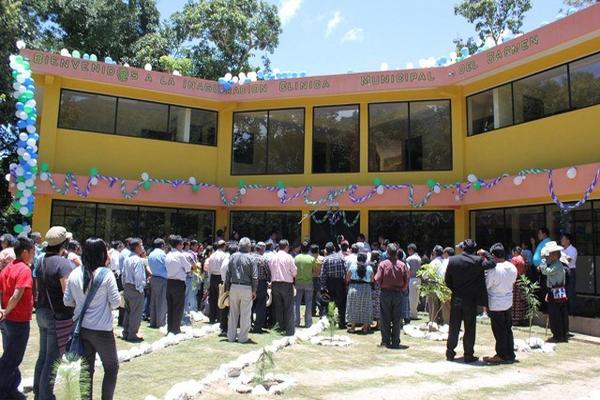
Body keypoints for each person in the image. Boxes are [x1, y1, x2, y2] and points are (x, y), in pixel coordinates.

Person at [64, 238, 120, 400]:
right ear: (102, 254)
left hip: (81, 329)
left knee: (86, 369)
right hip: (102, 330)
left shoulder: (74, 273)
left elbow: (67, 301)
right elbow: (116, 303)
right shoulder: (106, 274)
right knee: (111, 368)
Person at [33, 226, 74, 400]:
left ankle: (38, 391)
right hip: (56, 316)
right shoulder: (63, 263)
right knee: (52, 359)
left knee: (43, 355)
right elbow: (67, 294)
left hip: (42, 311)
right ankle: (46, 396)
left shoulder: (41, 260)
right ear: (64, 242)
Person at [445, 239, 495, 363]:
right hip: (470, 300)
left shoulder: (453, 260)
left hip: (456, 298)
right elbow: (492, 263)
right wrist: (485, 253)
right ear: (474, 249)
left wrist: (455, 290)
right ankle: (468, 354)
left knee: (454, 327)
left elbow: (447, 280)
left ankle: (450, 353)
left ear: (463, 248)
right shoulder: (477, 261)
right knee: (470, 328)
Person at [0, 236, 35, 399]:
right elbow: (17, 293)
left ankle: (11, 389)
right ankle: (4, 391)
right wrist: (6, 311)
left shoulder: (7, 268)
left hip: (8, 321)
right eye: (33, 251)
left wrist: (3, 310)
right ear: (25, 252)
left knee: (10, 356)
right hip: (17, 320)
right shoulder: (24, 269)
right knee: (12, 359)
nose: (34, 254)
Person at [483, 243, 517, 364]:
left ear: (493, 255)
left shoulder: (494, 269)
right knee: (508, 329)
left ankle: (501, 354)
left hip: (496, 303)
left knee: (499, 330)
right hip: (508, 301)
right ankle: (510, 353)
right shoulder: (512, 267)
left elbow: (487, 285)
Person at [374, 243, 409, 349]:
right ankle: (395, 341)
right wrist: (402, 288)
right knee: (397, 318)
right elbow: (406, 279)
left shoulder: (383, 264)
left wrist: (381, 286)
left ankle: (385, 341)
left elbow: (378, 278)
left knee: (385, 317)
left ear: (387, 252)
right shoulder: (402, 265)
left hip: (385, 293)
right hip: (398, 293)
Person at [225, 237, 257, 343]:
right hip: (246, 287)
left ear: (239, 246)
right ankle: (243, 338)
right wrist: (254, 290)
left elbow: (228, 273)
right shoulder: (252, 258)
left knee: (233, 313)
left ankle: (231, 337)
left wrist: (227, 288)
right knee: (245, 313)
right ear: (249, 247)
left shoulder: (232, 256)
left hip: (234, 286)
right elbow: (254, 276)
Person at [539, 241, 569, 343]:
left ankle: (558, 335)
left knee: (555, 314)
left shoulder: (557, 265)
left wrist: (542, 262)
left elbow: (546, 271)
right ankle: (561, 334)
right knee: (559, 313)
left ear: (555, 255)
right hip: (557, 291)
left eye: (550, 254)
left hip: (556, 291)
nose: (548, 256)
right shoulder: (556, 264)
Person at [268, 240, 297, 336]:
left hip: (275, 284)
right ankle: (289, 330)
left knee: (278, 307)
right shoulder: (289, 257)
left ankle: (280, 327)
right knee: (288, 307)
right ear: (287, 247)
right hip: (286, 284)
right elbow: (294, 272)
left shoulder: (273, 257)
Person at [165, 235, 192, 335]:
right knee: (178, 307)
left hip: (169, 282)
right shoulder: (180, 255)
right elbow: (188, 267)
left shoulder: (168, 255)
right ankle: (176, 329)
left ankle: (170, 328)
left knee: (170, 306)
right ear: (179, 245)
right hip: (178, 282)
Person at [121, 238, 146, 342]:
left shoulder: (127, 258)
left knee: (128, 311)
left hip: (127, 286)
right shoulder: (138, 260)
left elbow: (123, 274)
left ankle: (126, 332)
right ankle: (132, 334)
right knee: (136, 313)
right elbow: (139, 276)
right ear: (137, 247)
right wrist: (140, 289)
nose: (143, 248)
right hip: (135, 288)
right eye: (142, 245)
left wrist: (124, 286)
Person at [320, 242, 347, 329]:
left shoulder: (326, 259)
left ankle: (330, 322)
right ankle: (342, 323)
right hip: (340, 282)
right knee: (341, 304)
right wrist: (345, 282)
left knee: (329, 302)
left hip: (330, 282)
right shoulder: (341, 257)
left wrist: (323, 286)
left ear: (326, 250)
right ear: (334, 249)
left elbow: (323, 274)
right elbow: (346, 270)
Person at [345, 253, 373, 334]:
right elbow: (372, 280)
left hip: (354, 287)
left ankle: (353, 327)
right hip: (366, 288)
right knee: (366, 307)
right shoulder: (369, 268)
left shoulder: (352, 267)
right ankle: (365, 328)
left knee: (353, 307)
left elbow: (347, 278)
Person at [147, 238, 168, 328]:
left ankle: (153, 321)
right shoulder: (162, 254)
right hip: (163, 279)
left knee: (153, 301)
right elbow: (167, 265)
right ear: (162, 245)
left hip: (153, 277)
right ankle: (161, 322)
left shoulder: (151, 254)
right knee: (162, 302)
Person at [294, 241, 315, 328]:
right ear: (308, 249)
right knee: (309, 303)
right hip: (309, 282)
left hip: (298, 282)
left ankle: (296, 322)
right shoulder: (311, 259)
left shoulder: (296, 258)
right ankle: (308, 323)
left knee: (296, 303)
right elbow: (314, 271)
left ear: (301, 249)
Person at [207, 240, 228, 324]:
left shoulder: (212, 255)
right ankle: (220, 318)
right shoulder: (224, 255)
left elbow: (209, 269)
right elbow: (224, 269)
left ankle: (212, 318)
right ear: (224, 246)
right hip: (220, 277)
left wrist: (210, 279)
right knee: (221, 298)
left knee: (213, 298)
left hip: (213, 277)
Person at [251, 242, 270, 334]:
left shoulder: (249, 258)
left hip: (250, 284)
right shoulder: (263, 259)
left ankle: (248, 325)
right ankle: (258, 327)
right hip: (261, 284)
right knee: (261, 305)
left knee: (249, 305)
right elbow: (268, 273)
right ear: (262, 249)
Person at [560, 233, 578, 314]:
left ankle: (573, 312)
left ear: (568, 240)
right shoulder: (562, 249)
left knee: (570, 292)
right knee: (563, 292)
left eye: (563, 239)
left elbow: (568, 260)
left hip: (570, 271)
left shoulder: (573, 249)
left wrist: (561, 257)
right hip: (562, 272)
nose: (561, 240)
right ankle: (565, 311)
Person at [510, 247, 528, 326]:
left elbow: (511, 271)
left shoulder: (514, 259)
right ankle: (522, 319)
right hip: (523, 281)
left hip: (515, 282)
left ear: (514, 252)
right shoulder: (523, 259)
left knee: (515, 301)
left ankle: (515, 320)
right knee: (522, 301)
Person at [427, 245, 445, 324]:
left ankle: (433, 321)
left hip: (433, 284)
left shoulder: (433, 262)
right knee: (442, 306)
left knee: (433, 305)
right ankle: (442, 321)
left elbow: (426, 275)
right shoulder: (445, 261)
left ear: (434, 252)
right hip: (443, 285)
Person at [405, 243, 421, 320]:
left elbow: (408, 269)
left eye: (408, 250)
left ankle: (412, 313)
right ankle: (415, 312)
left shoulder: (409, 259)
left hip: (411, 279)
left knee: (411, 297)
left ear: (411, 249)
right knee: (416, 297)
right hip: (418, 279)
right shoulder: (419, 258)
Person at [310, 245, 324, 318]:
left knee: (312, 296)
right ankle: (321, 312)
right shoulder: (322, 259)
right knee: (319, 296)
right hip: (319, 278)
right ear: (318, 250)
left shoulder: (310, 259)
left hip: (311, 278)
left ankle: (312, 311)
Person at [370, 250, 382, 329]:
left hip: (371, 285)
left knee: (371, 305)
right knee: (379, 305)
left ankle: (369, 323)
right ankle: (379, 324)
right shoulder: (381, 265)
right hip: (379, 286)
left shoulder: (370, 265)